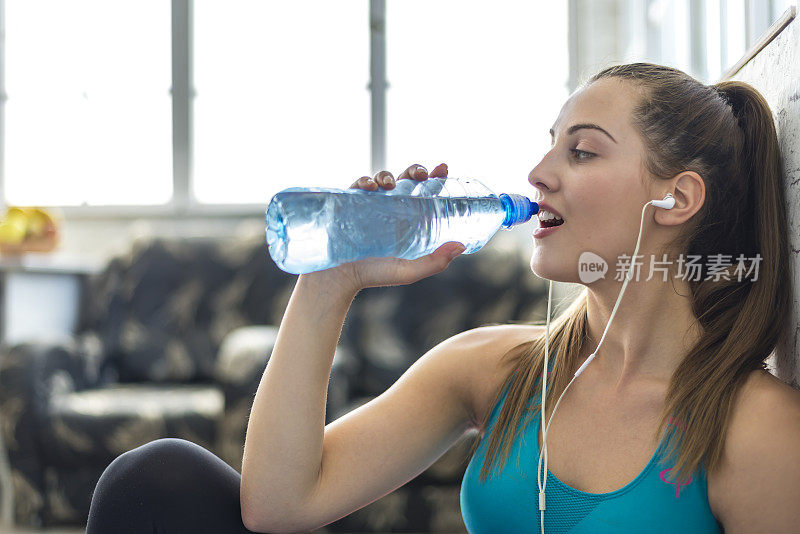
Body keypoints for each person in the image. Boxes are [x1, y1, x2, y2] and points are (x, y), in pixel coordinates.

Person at [86, 62, 800, 533]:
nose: (537, 173)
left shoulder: (757, 429)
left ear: (676, 198)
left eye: (581, 152)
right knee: (157, 481)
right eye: (549, 145)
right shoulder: (494, 368)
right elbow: (278, 505)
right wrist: (328, 283)